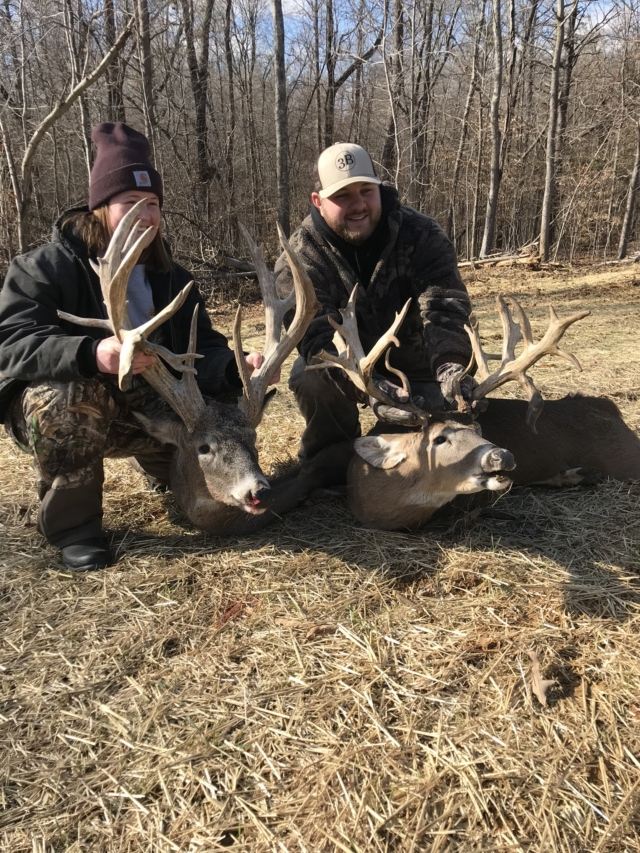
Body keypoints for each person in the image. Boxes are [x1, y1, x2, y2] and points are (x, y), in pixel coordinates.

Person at [0, 122, 269, 572]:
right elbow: (11, 345)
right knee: (71, 396)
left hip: (149, 412)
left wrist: (234, 368)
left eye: (154, 205)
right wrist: (92, 355)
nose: (145, 215)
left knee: (217, 404)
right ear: (101, 206)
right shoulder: (44, 268)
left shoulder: (171, 278)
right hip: (67, 409)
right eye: (131, 203)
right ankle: (76, 528)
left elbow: (202, 347)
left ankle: (164, 466)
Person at [274, 142, 475, 463]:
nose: (358, 205)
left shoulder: (422, 234)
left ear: (380, 188)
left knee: (447, 432)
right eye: (343, 196)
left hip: (420, 364)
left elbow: (444, 306)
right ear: (318, 201)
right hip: (349, 369)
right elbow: (316, 338)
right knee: (308, 377)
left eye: (366, 191)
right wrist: (366, 386)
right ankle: (332, 458)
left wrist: (450, 366)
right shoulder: (300, 257)